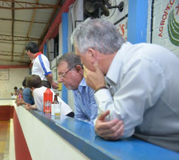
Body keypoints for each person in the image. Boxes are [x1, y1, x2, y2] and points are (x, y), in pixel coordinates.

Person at [71, 18, 179, 152]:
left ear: (91, 55)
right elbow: (107, 123)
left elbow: (117, 127)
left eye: (81, 58)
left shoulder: (139, 64)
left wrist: (100, 89)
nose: (82, 65)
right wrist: (99, 124)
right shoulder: (118, 71)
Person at [57, 53, 98, 123]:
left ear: (78, 70)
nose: (59, 80)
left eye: (62, 75)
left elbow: (95, 122)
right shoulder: (75, 88)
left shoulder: (93, 84)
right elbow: (79, 118)